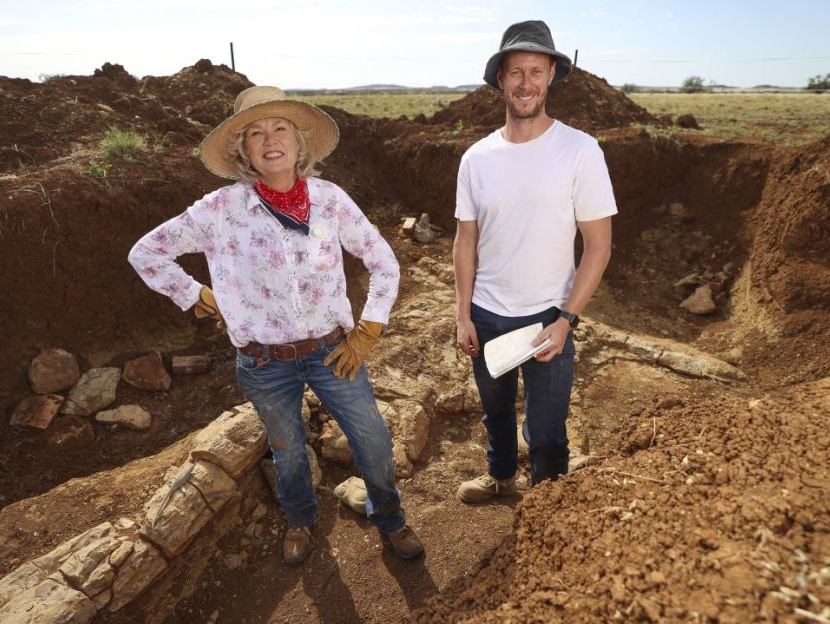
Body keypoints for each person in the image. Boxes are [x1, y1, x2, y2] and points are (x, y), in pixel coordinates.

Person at [128, 86, 423, 563]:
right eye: (255, 132)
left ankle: (389, 518)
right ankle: (301, 521)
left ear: (299, 141)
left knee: (372, 437)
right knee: (287, 452)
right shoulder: (220, 209)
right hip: (264, 362)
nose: (270, 139)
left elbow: (383, 259)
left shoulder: (330, 200)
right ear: (243, 150)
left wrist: (369, 328)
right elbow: (146, 252)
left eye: (280, 127)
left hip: (334, 352)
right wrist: (196, 295)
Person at [453, 21, 617, 503]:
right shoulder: (476, 158)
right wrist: (463, 313)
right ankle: (501, 476)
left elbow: (599, 245)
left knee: (547, 431)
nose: (526, 83)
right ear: (501, 79)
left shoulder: (580, 151)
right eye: (516, 72)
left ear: (551, 78)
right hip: (487, 313)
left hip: (549, 316)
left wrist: (567, 318)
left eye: (536, 71)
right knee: (496, 410)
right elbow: (465, 242)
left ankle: (547, 507)